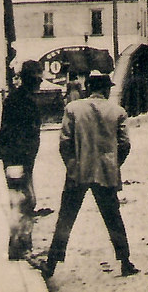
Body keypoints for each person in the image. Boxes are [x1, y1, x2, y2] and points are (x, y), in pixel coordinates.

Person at [41, 70, 139, 279]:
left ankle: (51, 264)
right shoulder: (118, 111)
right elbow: (125, 144)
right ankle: (125, 262)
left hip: (78, 170)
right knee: (113, 217)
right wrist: (114, 163)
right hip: (106, 171)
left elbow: (64, 142)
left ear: (88, 89)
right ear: (106, 90)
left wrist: (72, 164)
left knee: (66, 217)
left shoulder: (73, 109)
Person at [0, 60, 43, 260]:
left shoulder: (17, 98)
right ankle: (19, 246)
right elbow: (22, 133)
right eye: (37, 78)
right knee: (23, 201)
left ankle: (21, 244)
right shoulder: (24, 100)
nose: (39, 82)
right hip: (18, 158)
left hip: (16, 158)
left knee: (22, 200)